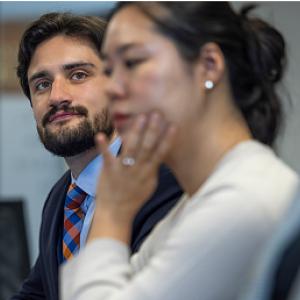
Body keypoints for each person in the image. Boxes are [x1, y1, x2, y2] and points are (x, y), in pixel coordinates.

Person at [61, 2, 300, 300]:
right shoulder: (198, 200)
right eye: (109, 70)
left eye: (132, 62)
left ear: (209, 65)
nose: (111, 88)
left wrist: (111, 212)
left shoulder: (240, 199)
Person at [11, 12, 182, 300]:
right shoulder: (63, 196)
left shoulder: (163, 182)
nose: (57, 96)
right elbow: (37, 294)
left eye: (78, 75)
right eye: (41, 84)